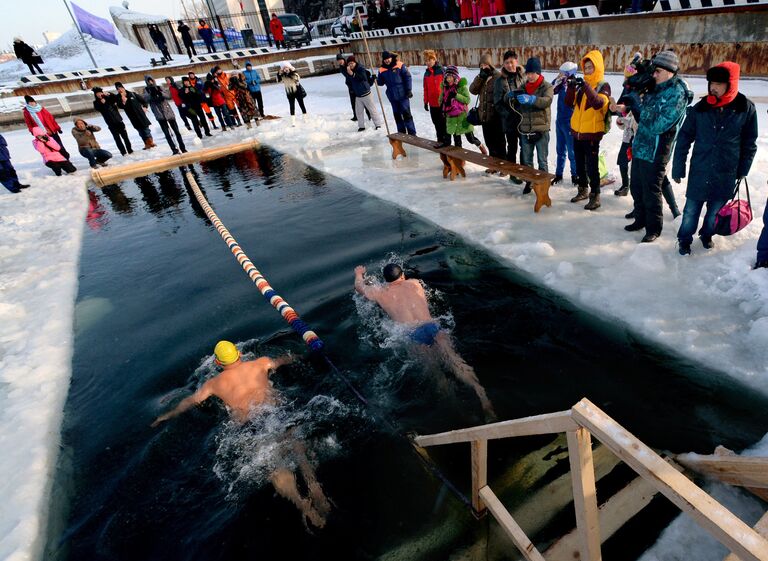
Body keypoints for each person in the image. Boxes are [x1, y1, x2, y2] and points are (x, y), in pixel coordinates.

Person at [151, 342, 332, 528]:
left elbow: (189, 401)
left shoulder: (213, 384)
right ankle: (315, 487)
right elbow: (282, 360)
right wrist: (301, 355)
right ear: (239, 353)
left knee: (273, 467)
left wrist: (164, 416)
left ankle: (303, 506)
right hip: (275, 413)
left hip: (248, 426)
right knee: (298, 448)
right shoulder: (260, 363)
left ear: (218, 364)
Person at [355, 264, 495, 420]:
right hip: (432, 327)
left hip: (413, 334)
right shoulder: (414, 283)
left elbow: (359, 287)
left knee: (436, 374)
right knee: (456, 361)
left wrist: (359, 273)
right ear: (402, 276)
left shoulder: (379, 293)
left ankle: (461, 411)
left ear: (386, 280)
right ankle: (482, 396)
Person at [672, 62, 758, 255]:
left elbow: (749, 143)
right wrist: (678, 167)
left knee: (714, 213)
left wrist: (743, 170)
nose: (713, 88)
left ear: (731, 84)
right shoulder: (699, 109)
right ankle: (684, 239)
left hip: (725, 173)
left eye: (719, 83)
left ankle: (707, 234)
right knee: (690, 212)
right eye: (711, 83)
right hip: (700, 171)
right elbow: (684, 138)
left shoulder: (746, 109)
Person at [612, 50, 690, 242]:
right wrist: (629, 105)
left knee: (651, 191)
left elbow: (658, 125)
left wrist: (638, 106)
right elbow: (640, 114)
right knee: (637, 187)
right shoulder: (654, 87)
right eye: (653, 71)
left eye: (658, 72)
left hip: (656, 150)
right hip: (640, 145)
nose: (654, 75)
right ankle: (640, 219)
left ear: (670, 72)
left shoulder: (677, 93)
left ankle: (654, 228)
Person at [566, 50, 611, 211]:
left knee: (592, 167)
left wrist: (585, 86)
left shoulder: (602, 85)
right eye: (586, 67)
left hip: (592, 134)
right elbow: (568, 103)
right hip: (577, 132)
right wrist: (571, 88)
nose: (588, 70)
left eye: (591, 67)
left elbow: (599, 103)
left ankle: (595, 195)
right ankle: (582, 190)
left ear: (597, 67)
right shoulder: (582, 84)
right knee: (579, 165)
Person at [508, 56, 553, 194]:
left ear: (538, 73)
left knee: (542, 161)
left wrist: (533, 99)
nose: (530, 76)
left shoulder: (547, 86)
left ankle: (544, 185)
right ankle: (530, 182)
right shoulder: (523, 86)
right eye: (528, 73)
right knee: (527, 161)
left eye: (533, 73)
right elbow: (512, 101)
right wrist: (511, 96)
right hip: (525, 129)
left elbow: (547, 100)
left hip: (541, 130)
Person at [437, 65, 486, 152]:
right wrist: (442, 104)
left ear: (454, 76)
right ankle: (458, 159)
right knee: (457, 140)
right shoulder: (445, 87)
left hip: (463, 117)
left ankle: (480, 145)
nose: (448, 79)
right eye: (447, 77)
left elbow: (467, 100)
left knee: (470, 138)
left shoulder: (461, 87)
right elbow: (441, 98)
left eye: (450, 77)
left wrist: (456, 95)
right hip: (451, 117)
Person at [494, 50, 525, 182]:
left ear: (516, 62)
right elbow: (497, 103)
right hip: (509, 121)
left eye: (511, 62)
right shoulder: (500, 81)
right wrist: (508, 114)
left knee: (525, 147)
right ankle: (513, 174)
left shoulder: (523, 77)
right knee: (512, 147)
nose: (509, 65)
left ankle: (524, 172)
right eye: (506, 63)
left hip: (523, 120)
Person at [469, 54, 504, 170]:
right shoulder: (481, 77)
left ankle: (503, 166)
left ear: (490, 65)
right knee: (489, 142)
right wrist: (480, 77)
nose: (483, 67)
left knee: (499, 144)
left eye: (485, 65)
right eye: (481, 65)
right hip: (484, 116)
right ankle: (493, 165)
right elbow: (472, 90)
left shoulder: (498, 76)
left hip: (496, 117)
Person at [143, 76, 187, 154]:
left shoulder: (159, 87)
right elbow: (146, 99)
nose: (151, 82)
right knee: (167, 134)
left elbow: (168, 96)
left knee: (177, 132)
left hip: (168, 113)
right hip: (159, 115)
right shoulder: (146, 90)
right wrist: (151, 94)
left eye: (151, 80)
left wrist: (159, 92)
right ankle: (174, 150)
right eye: (149, 81)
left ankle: (183, 148)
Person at [551, 61, 579, 185]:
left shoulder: (576, 85)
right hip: (560, 121)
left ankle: (575, 175)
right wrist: (557, 80)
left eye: (562, 73)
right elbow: (551, 90)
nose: (560, 74)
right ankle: (558, 174)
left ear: (569, 73)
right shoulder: (561, 84)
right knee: (560, 150)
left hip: (570, 122)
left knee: (572, 151)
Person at [377, 50, 416, 135]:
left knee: (407, 115)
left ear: (391, 57)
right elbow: (380, 83)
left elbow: (407, 77)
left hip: (403, 94)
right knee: (397, 116)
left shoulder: (399, 65)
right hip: (392, 96)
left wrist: (408, 89)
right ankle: (401, 133)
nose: (387, 60)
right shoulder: (381, 69)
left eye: (388, 58)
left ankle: (412, 133)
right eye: (385, 59)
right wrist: (375, 79)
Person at [22, 95, 70, 160]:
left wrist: (58, 128)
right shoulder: (27, 112)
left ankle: (66, 157)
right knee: (51, 147)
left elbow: (51, 119)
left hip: (51, 130)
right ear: (27, 104)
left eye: (33, 102)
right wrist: (33, 132)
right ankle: (58, 159)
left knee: (59, 145)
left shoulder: (42, 109)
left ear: (35, 102)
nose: (32, 103)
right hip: (42, 134)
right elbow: (29, 124)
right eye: (30, 102)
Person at [345, 56, 383, 131]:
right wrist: (352, 89)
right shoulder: (349, 71)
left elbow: (362, 78)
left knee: (372, 110)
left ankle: (378, 124)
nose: (351, 65)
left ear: (355, 62)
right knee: (359, 112)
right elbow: (348, 81)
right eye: (349, 64)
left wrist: (352, 74)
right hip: (358, 95)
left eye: (352, 63)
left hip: (366, 93)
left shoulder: (360, 69)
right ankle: (361, 126)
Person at [92, 87, 133, 156]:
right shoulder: (96, 102)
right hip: (110, 123)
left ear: (102, 92)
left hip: (119, 121)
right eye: (97, 94)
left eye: (100, 93)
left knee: (125, 137)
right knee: (117, 139)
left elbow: (116, 98)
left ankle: (130, 150)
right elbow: (99, 109)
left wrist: (109, 94)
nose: (99, 94)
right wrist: (103, 103)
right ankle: (123, 152)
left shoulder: (109, 98)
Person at [115, 82, 156, 150]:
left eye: (121, 88)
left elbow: (143, 101)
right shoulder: (118, 97)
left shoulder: (132, 94)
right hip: (133, 117)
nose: (120, 90)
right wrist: (123, 101)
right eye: (118, 89)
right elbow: (120, 106)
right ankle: (146, 144)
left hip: (141, 115)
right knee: (140, 132)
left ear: (123, 87)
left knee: (146, 130)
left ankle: (151, 143)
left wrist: (145, 107)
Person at [422, 50, 448, 146]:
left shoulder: (441, 70)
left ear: (434, 59)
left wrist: (447, 99)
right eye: (426, 61)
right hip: (432, 103)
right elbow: (425, 88)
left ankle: (446, 141)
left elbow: (448, 85)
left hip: (442, 102)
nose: (428, 63)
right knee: (436, 122)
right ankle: (440, 139)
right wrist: (425, 101)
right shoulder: (426, 74)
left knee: (443, 123)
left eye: (429, 60)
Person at [278, 62, 307, 126]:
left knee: (301, 104)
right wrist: (279, 74)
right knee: (291, 106)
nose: (285, 69)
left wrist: (290, 73)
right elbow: (278, 81)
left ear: (289, 67)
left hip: (297, 91)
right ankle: (293, 122)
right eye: (284, 68)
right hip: (289, 92)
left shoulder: (294, 72)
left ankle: (305, 118)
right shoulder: (283, 75)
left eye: (286, 67)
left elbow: (297, 78)